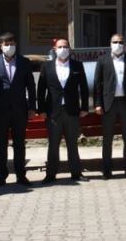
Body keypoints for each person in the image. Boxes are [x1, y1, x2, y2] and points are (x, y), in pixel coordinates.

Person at [0, 32, 36, 187]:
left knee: (19, 144)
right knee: (1, 144)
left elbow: (31, 86)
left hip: (20, 110)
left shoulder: (24, 62)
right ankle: (1, 176)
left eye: (12, 43)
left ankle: (21, 175)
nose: (9, 46)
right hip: (0, 111)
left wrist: (32, 107)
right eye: (6, 44)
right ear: (0, 46)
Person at [37, 37, 89, 183]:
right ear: (54, 49)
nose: (63, 49)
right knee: (53, 144)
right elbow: (41, 89)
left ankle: (76, 173)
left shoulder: (77, 66)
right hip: (53, 111)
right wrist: (41, 109)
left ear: (70, 49)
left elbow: (84, 88)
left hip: (72, 111)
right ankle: (51, 174)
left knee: (72, 143)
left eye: (65, 47)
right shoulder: (46, 67)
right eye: (60, 47)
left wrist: (84, 107)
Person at [94, 33, 126, 180]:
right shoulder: (102, 60)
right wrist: (98, 104)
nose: (118, 45)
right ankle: (107, 170)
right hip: (108, 104)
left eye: (121, 42)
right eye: (115, 42)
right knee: (107, 138)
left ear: (125, 45)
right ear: (110, 44)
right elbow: (98, 84)